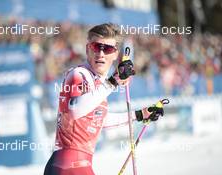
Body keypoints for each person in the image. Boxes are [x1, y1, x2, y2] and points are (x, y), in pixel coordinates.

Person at [44, 23, 165, 175]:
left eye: (107, 49)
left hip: (75, 166)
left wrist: (139, 115)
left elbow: (98, 119)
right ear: (88, 49)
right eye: (96, 47)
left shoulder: (99, 84)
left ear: (115, 54)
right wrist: (113, 82)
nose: (101, 54)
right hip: (70, 165)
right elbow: (76, 110)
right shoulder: (79, 75)